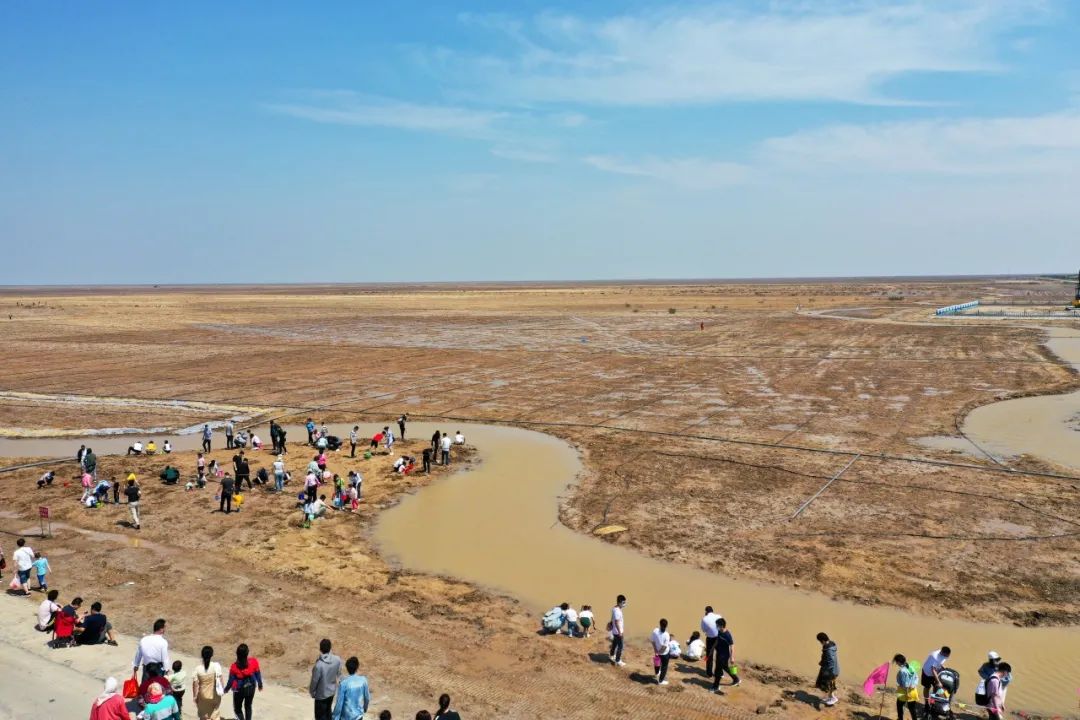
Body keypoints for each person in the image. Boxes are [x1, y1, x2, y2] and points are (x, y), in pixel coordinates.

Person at [225, 643, 262, 720]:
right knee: (248, 706)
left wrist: (226, 689)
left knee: (237, 709)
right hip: (251, 687)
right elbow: (257, 673)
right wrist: (260, 684)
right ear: (247, 653)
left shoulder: (234, 667)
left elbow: (231, 681)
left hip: (239, 690)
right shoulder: (253, 661)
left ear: (237, 654)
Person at [310, 638, 343, 720]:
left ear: (320, 649)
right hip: (331, 692)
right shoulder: (337, 659)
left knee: (320, 717)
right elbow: (339, 674)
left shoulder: (319, 665)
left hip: (321, 695)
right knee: (328, 713)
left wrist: (312, 692)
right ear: (330, 647)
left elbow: (314, 681)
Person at [332, 656, 370, 720]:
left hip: (346, 717)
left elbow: (339, 703)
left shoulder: (343, 683)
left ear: (347, 668)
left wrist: (335, 717)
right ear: (357, 667)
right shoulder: (363, 680)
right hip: (359, 716)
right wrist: (365, 708)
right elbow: (367, 697)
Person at [192, 645, 224, 720]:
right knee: (215, 713)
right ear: (212, 655)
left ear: (202, 655)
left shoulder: (197, 669)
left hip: (203, 695)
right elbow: (221, 680)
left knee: (204, 715)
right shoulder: (216, 666)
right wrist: (222, 690)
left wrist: (195, 696)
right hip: (215, 694)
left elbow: (195, 685)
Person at [134, 618, 170, 683]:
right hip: (158, 669)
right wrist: (167, 670)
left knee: (145, 688)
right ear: (161, 629)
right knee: (157, 689)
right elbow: (165, 658)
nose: (165, 630)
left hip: (146, 669)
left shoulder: (144, 640)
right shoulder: (163, 642)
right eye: (164, 628)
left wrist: (136, 665)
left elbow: (138, 654)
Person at [920, 646, 951, 712]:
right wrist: (938, 681)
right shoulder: (935, 657)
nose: (947, 657)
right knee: (927, 688)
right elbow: (933, 670)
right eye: (946, 655)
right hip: (927, 673)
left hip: (935, 672)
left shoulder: (943, 654)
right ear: (942, 653)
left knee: (937, 688)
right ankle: (926, 703)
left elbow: (939, 663)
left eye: (948, 655)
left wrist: (942, 667)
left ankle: (933, 701)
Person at [711, 618, 738, 690]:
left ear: (722, 626)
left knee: (718, 671)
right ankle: (736, 679)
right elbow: (717, 640)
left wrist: (732, 657)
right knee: (725, 667)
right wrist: (712, 648)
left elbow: (732, 646)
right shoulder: (720, 631)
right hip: (719, 653)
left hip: (724, 655)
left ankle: (715, 687)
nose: (716, 626)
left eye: (717, 625)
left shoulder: (727, 635)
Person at [815, 632, 840, 707]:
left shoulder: (828, 649)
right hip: (832, 669)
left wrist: (828, 673)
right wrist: (822, 662)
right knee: (828, 685)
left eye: (820, 642)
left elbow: (831, 662)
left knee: (828, 685)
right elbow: (828, 658)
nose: (820, 643)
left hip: (831, 671)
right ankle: (830, 697)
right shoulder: (831, 645)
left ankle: (833, 698)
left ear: (822, 641)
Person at [894, 654, 919, 720]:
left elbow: (905, 685)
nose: (896, 664)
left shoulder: (902, 671)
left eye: (896, 662)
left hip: (904, 692)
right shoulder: (911, 667)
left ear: (899, 662)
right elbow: (916, 678)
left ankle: (900, 718)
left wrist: (905, 691)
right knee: (912, 709)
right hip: (913, 691)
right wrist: (913, 685)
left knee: (899, 706)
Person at [701, 605, 722, 677]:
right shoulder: (719, 616)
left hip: (710, 639)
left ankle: (709, 673)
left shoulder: (704, 618)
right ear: (713, 611)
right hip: (719, 638)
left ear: (706, 612)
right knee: (719, 655)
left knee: (709, 656)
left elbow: (703, 630)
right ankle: (720, 673)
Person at [650, 618, 672, 685]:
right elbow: (664, 647)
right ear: (666, 626)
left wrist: (656, 651)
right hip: (665, 654)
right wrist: (659, 652)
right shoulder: (667, 635)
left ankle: (657, 673)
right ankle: (661, 681)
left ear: (660, 624)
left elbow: (652, 641)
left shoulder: (655, 631)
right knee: (664, 667)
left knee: (657, 664)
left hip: (657, 652)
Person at [609, 594, 626, 666]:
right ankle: (618, 660)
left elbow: (612, 619)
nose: (625, 604)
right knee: (620, 647)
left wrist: (610, 623)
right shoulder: (617, 611)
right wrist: (620, 632)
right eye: (623, 603)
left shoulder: (615, 608)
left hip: (614, 631)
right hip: (618, 632)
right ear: (619, 602)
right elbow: (616, 622)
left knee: (614, 643)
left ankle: (612, 655)